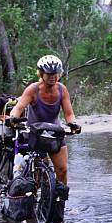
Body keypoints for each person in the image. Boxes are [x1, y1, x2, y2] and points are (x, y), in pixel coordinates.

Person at [10, 55, 81, 184]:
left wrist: (73, 124)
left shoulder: (62, 90)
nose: (53, 77)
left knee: (62, 169)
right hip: (35, 134)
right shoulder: (33, 90)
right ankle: (36, 199)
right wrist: (13, 118)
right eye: (49, 74)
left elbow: (69, 113)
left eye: (55, 73)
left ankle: (60, 201)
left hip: (54, 132)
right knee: (39, 173)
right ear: (41, 74)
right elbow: (19, 107)